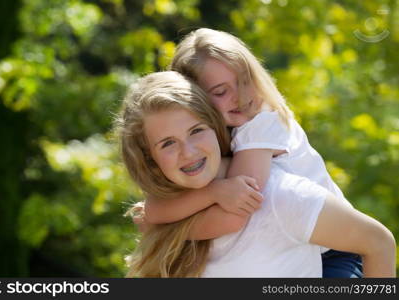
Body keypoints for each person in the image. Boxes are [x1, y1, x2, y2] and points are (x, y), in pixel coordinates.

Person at [116, 71, 396, 277]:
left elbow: (379, 243)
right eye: (167, 143)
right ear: (149, 159)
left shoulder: (279, 195)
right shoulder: (163, 216)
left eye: (196, 131)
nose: (188, 152)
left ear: (216, 127)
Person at [143, 28, 361, 277]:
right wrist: (157, 215)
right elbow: (153, 209)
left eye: (245, 81)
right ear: (194, 101)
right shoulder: (204, 139)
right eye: (221, 92)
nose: (241, 96)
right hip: (293, 248)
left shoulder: (261, 122)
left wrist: (162, 228)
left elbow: (236, 214)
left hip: (334, 250)